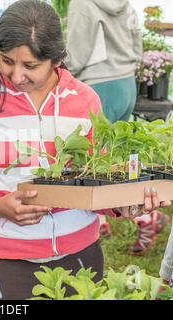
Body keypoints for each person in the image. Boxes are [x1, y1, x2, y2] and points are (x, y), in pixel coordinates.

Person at [0, 0, 170, 300]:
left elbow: (96, 185)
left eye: (30, 66)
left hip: (79, 261)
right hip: (0, 262)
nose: (16, 76)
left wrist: (123, 205)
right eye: (6, 61)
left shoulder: (85, 101)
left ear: (56, 59)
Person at [66, 0, 170, 252]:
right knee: (110, 161)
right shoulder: (125, 4)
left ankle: (145, 217)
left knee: (91, 161)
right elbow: (137, 48)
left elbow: (76, 53)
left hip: (97, 84)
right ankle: (103, 219)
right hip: (125, 84)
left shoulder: (82, 4)